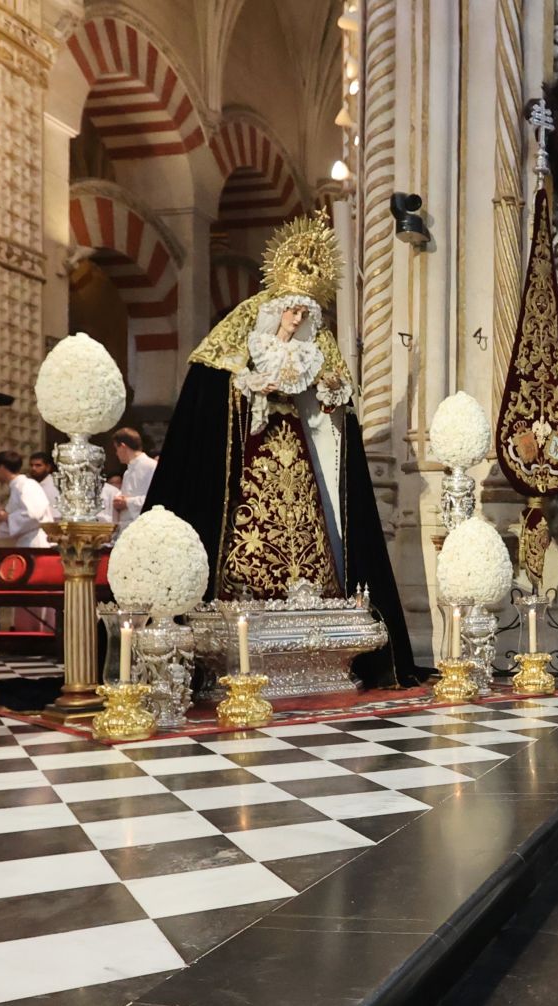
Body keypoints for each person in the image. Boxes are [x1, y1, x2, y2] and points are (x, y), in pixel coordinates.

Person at [144, 214, 417, 686]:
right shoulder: (246, 334)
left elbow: (335, 402)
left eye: (306, 313)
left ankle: (313, 605)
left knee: (308, 525)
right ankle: (243, 608)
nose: (299, 319)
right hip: (257, 450)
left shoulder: (316, 347)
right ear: (277, 308)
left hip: (298, 450)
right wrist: (250, 386)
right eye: (293, 311)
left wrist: (331, 391)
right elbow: (216, 385)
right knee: (253, 526)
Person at [0, 449, 54, 549]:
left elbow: (34, 514)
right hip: (26, 544)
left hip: (37, 545)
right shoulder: (17, 487)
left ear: (1, 467)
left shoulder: (27, 485)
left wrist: (7, 517)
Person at [112, 427, 155, 529]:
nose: (116, 453)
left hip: (144, 527)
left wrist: (128, 502)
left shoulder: (151, 466)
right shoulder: (127, 472)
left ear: (122, 447)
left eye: (116, 449)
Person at [27, 450, 63, 515]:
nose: (33, 468)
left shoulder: (55, 485)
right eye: (31, 465)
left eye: (38, 465)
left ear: (48, 467)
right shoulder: (29, 485)